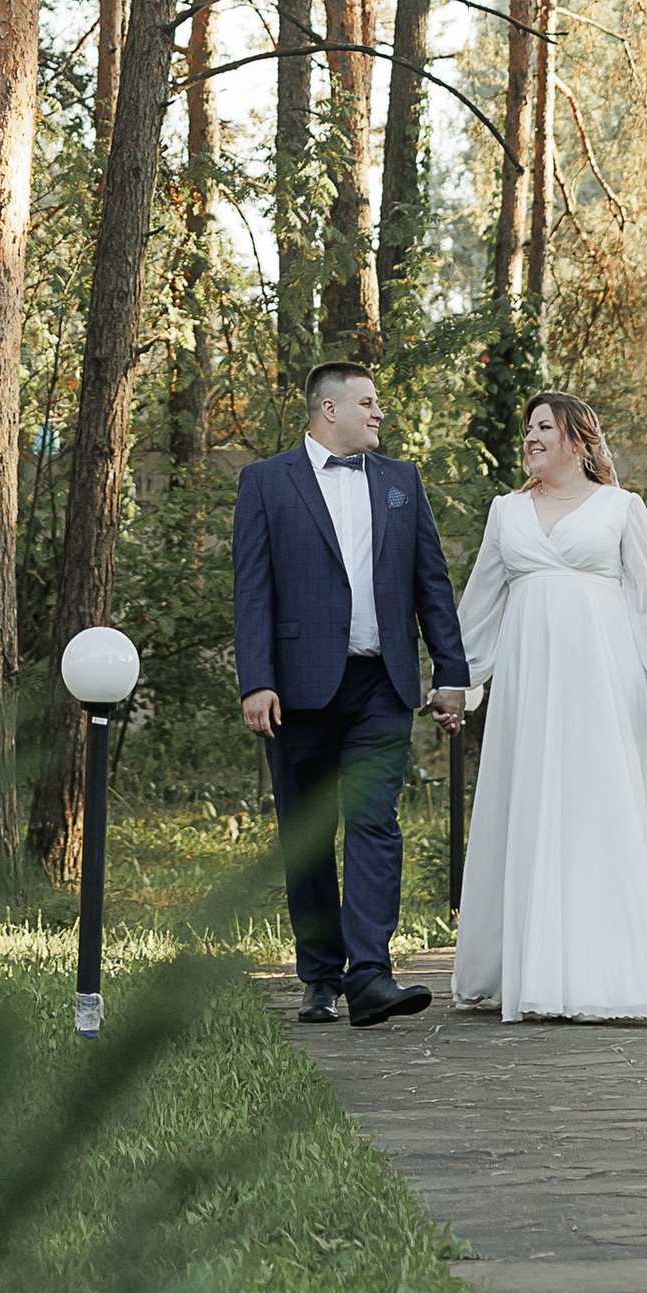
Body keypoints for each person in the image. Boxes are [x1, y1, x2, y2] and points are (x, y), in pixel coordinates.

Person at [450, 389, 647, 1022]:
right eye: (528, 426)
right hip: (529, 685)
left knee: (599, 808)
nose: (531, 437)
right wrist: (460, 681)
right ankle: (527, 968)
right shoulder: (506, 512)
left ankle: (608, 970)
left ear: (578, 440)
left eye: (544, 427)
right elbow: (481, 602)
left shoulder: (622, 508)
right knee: (531, 805)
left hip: (605, 680)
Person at [233, 360, 470, 1026]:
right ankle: (319, 974)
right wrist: (257, 680)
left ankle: (370, 974)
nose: (379, 413)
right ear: (327, 409)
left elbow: (432, 583)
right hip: (298, 690)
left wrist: (450, 673)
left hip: (381, 685)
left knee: (375, 822)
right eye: (368, 402)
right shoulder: (266, 482)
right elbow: (251, 590)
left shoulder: (402, 481)